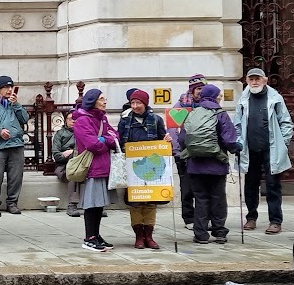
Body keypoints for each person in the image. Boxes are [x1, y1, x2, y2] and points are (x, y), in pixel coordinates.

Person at [177, 83, 241, 244]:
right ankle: (219, 232)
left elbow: (182, 139)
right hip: (216, 164)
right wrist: (237, 148)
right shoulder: (221, 114)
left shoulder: (192, 114)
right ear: (215, 97)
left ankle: (201, 234)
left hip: (195, 165)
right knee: (218, 198)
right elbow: (229, 140)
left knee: (200, 199)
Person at [234, 68, 294, 235]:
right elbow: (237, 124)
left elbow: (286, 123)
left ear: (265, 80)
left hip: (271, 149)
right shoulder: (243, 100)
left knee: (273, 185)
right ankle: (251, 218)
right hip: (250, 149)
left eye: (257, 79)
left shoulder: (275, 98)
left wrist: (283, 144)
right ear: (247, 81)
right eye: (251, 79)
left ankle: (275, 221)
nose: (254, 82)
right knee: (250, 185)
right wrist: (239, 143)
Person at [117, 89, 167, 250]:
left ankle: (149, 236)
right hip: (132, 167)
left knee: (151, 201)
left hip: (152, 166)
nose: (136, 106)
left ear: (145, 103)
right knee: (136, 202)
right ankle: (139, 236)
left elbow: (162, 139)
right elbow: (119, 141)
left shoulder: (156, 119)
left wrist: (167, 140)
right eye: (133, 103)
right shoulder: (125, 121)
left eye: (138, 103)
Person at [73, 88, 119, 251]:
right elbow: (93, 145)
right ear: (93, 102)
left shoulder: (103, 119)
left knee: (99, 205)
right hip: (92, 167)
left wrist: (104, 139)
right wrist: (107, 141)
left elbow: (116, 137)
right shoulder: (82, 121)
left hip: (104, 165)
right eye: (101, 99)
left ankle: (96, 235)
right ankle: (89, 238)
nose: (105, 101)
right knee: (92, 205)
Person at [167, 74, 206, 229]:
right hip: (184, 153)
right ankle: (189, 217)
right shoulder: (181, 105)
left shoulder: (209, 104)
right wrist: (177, 151)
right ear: (192, 90)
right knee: (187, 187)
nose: (200, 92)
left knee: (203, 188)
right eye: (198, 88)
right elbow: (172, 129)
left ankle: (203, 216)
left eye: (203, 88)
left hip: (202, 153)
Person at [0, 75, 29, 214]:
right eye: (6, 87)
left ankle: (12, 203)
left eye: (11, 87)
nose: (9, 90)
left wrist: (17, 105)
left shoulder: (14, 103)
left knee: (16, 176)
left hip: (16, 143)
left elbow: (25, 118)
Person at [51, 111, 81, 218]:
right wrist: (69, 155)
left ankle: (97, 205)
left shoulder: (84, 132)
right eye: (70, 119)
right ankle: (72, 205)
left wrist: (72, 152)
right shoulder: (60, 134)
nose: (73, 121)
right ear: (65, 120)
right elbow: (56, 155)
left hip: (82, 164)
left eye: (75, 118)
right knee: (74, 171)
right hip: (63, 167)